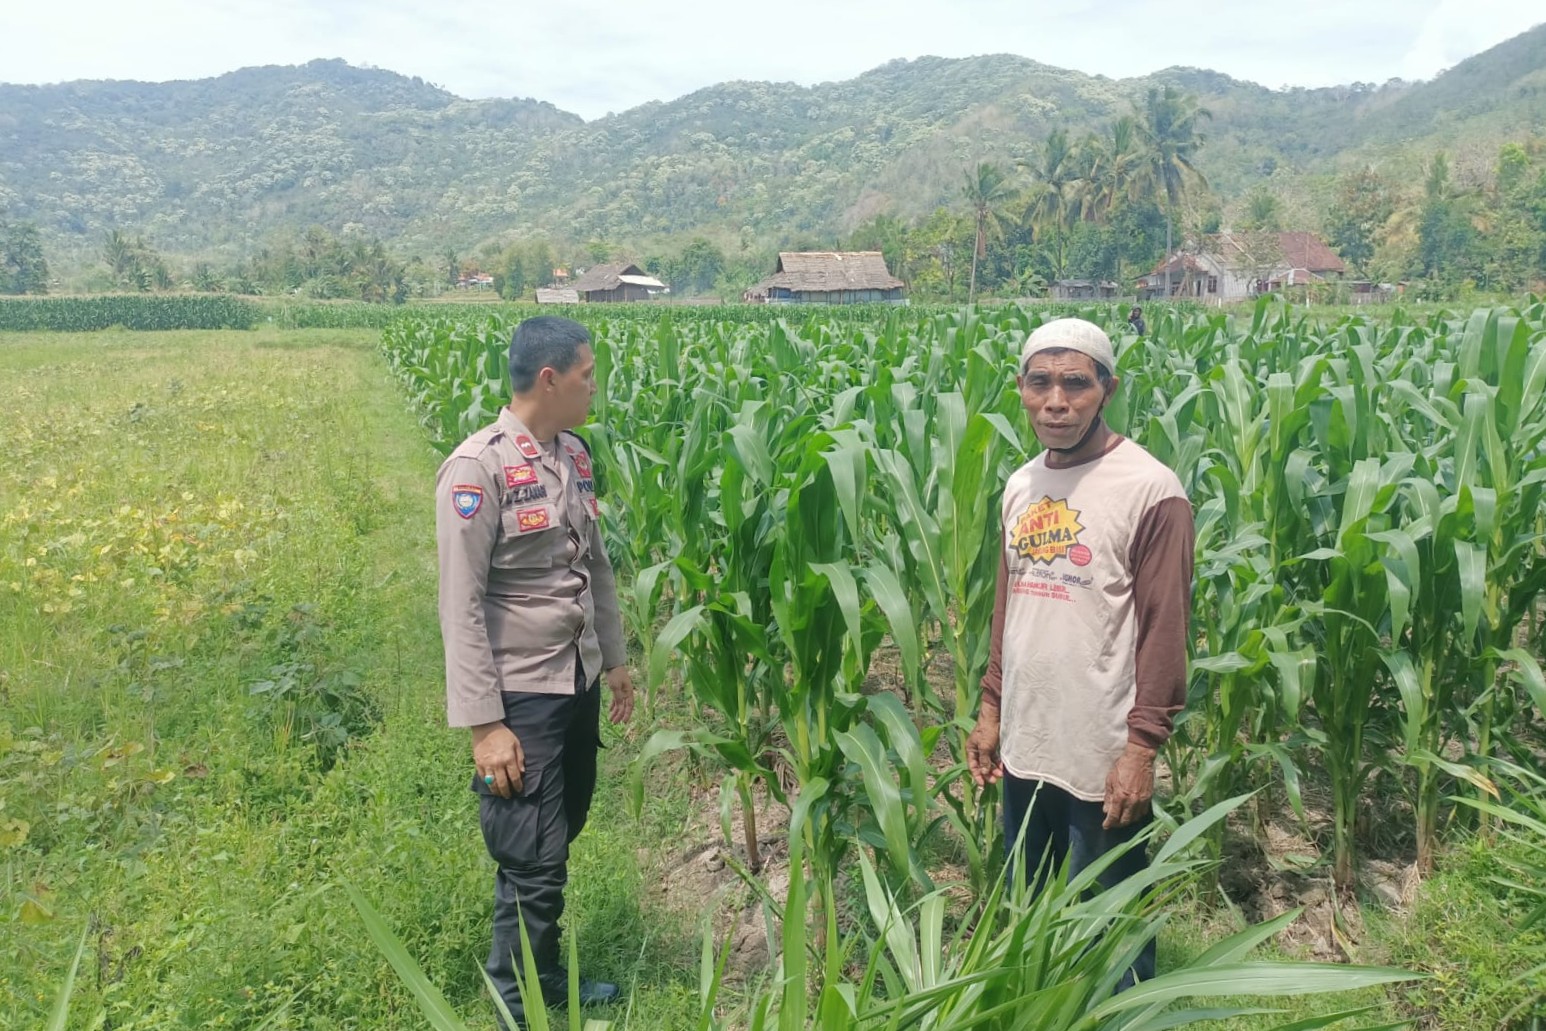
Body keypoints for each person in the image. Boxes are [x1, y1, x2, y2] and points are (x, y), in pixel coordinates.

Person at [967, 317, 1192, 989]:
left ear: (1108, 388)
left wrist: (1141, 749)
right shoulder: (1021, 485)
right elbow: (1011, 607)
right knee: (1029, 914)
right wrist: (990, 707)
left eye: (1075, 383)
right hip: (1029, 742)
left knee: (1112, 926)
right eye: (1040, 383)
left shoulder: (1151, 490)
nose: (1056, 402)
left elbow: (1165, 629)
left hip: (1102, 752)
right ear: (1021, 389)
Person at [436, 315, 635, 1026]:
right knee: (532, 854)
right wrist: (486, 725)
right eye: (586, 375)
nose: (593, 387)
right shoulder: (477, 469)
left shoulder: (572, 455)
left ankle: (541, 973)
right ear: (548, 380)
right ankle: (515, 1002)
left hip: (573, 679)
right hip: (520, 691)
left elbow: (595, 565)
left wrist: (614, 661)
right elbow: (459, 605)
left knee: (559, 829)